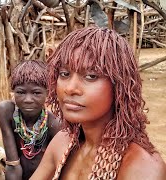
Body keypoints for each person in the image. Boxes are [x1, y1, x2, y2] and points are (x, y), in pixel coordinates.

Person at [30, 27, 166, 180]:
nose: (70, 88)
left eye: (91, 76)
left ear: (119, 87)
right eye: (64, 74)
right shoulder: (62, 142)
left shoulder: (142, 168)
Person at [0, 60, 62, 180]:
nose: (28, 99)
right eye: (21, 92)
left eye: (36, 93)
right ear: (13, 92)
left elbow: (59, 169)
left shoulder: (54, 124)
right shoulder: (6, 112)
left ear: (47, 93)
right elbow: (13, 165)